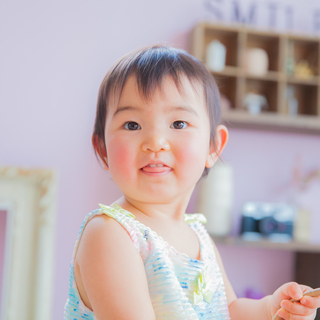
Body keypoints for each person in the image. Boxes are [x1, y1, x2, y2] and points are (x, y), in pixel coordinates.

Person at [64, 44, 320, 320]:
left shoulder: (197, 234)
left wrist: (271, 308)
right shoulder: (110, 234)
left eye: (178, 124)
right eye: (132, 125)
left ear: (214, 146)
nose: (155, 143)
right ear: (103, 150)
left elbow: (229, 311)